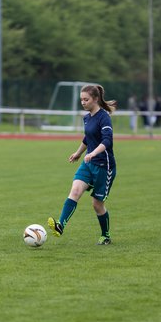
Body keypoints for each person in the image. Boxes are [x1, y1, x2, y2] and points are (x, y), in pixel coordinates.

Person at [48, 84, 117, 245]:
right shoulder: (87, 117)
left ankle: (105, 235)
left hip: (104, 167)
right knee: (75, 190)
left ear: (95, 99)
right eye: (81, 100)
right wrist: (78, 153)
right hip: (88, 163)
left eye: (86, 99)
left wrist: (93, 153)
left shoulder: (104, 117)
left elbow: (107, 140)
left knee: (97, 205)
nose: (83, 103)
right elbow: (88, 138)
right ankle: (60, 226)